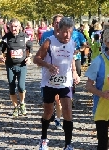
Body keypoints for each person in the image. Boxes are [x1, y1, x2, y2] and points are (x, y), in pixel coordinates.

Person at [33, 17, 80, 150]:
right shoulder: (49, 42)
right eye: (65, 32)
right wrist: (48, 66)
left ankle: (68, 144)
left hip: (65, 82)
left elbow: (70, 59)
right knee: (48, 112)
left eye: (70, 32)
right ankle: (43, 139)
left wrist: (75, 72)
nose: (68, 35)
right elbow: (36, 58)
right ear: (58, 30)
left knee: (68, 111)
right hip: (49, 82)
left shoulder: (72, 43)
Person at [0, 18, 33, 117]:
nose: (14, 28)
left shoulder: (24, 36)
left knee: (21, 87)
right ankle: (15, 107)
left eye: (16, 26)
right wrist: (1, 56)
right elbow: (0, 49)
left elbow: (30, 47)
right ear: (9, 26)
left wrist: (29, 57)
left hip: (22, 65)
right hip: (10, 66)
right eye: (12, 26)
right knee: (11, 87)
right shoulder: (6, 37)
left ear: (19, 27)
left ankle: (22, 104)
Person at [85, 29, 109, 150]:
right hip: (101, 110)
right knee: (103, 144)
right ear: (107, 43)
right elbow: (88, 85)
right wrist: (101, 94)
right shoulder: (98, 61)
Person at [40, 14, 63, 130]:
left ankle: (58, 119)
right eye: (56, 22)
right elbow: (40, 54)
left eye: (60, 22)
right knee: (48, 100)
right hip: (47, 71)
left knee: (59, 98)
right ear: (53, 23)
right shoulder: (46, 35)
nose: (58, 24)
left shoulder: (67, 35)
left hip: (62, 72)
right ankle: (50, 114)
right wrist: (47, 65)